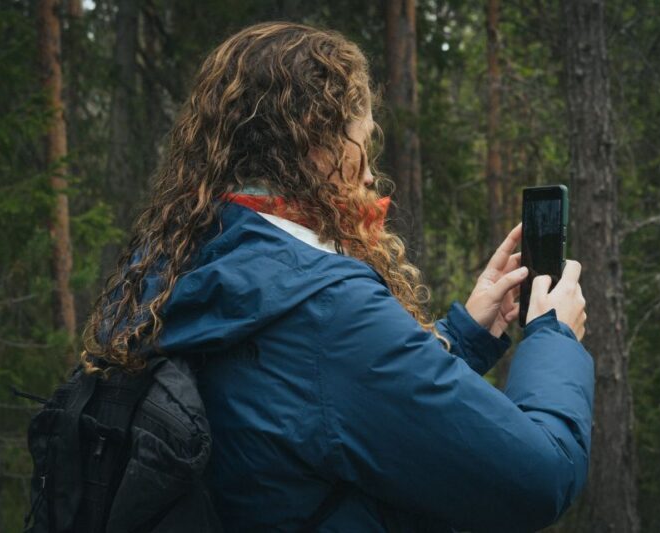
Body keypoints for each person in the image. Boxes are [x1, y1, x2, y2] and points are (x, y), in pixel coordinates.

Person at [82, 21, 593, 532]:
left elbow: (309, 409)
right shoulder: (326, 310)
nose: (370, 175)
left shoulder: (168, 266)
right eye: (361, 145)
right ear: (313, 140)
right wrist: (555, 337)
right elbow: (540, 476)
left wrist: (465, 337)